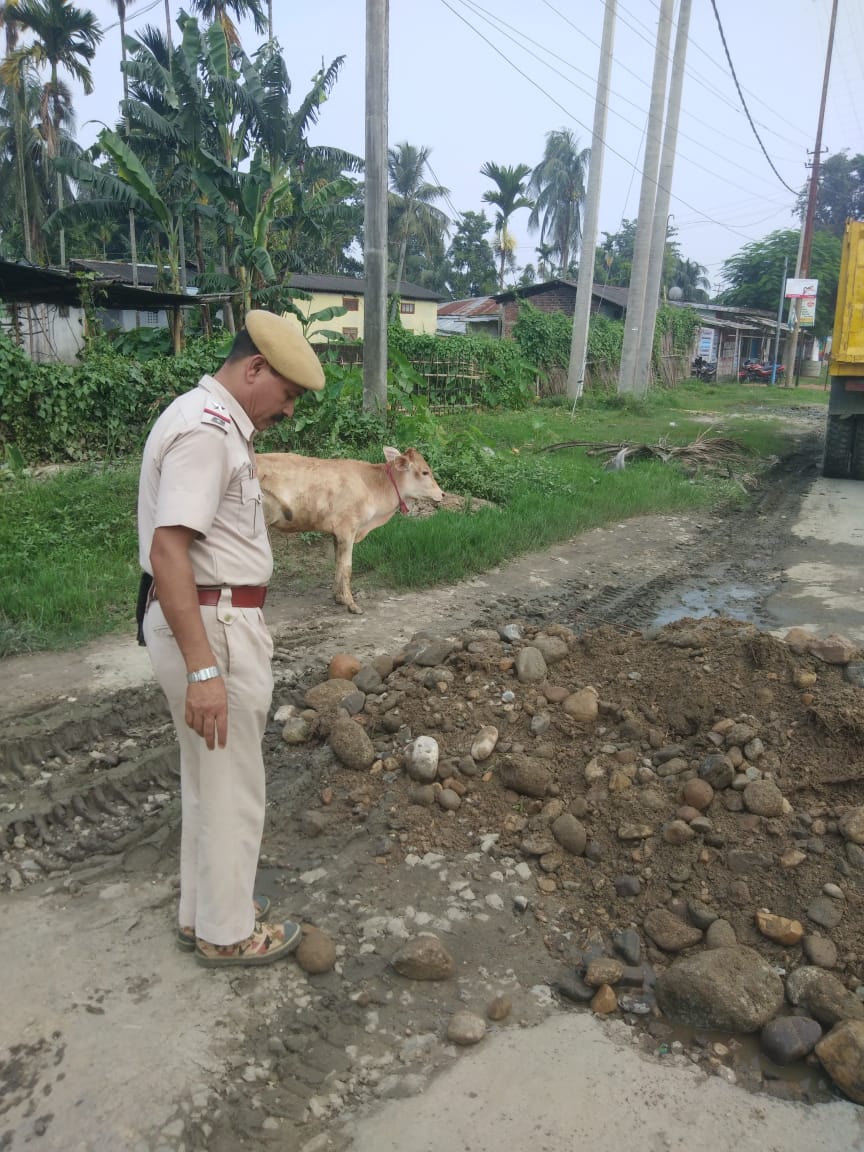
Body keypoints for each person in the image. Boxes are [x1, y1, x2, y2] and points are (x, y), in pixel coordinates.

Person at [137, 310, 325, 967]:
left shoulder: (204, 420)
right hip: (211, 625)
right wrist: (203, 671)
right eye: (288, 394)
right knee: (234, 785)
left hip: (208, 618)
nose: (289, 411)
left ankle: (206, 914)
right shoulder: (208, 432)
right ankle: (227, 934)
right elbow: (168, 551)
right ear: (255, 368)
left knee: (207, 781)